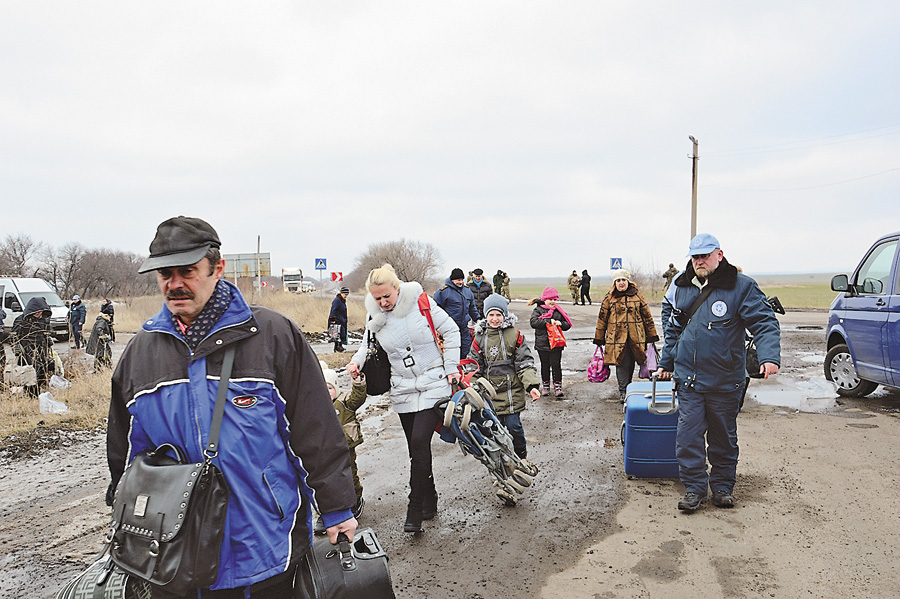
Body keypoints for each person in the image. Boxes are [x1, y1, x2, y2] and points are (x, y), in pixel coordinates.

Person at [107, 216, 357, 598]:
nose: (174, 284)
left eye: (187, 271)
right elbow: (125, 453)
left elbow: (315, 429)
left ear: (217, 268)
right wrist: (125, 520)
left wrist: (337, 505)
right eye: (165, 274)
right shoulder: (140, 353)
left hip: (264, 544)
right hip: (173, 555)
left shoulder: (274, 335)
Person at [657, 233, 780, 512]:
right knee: (688, 438)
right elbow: (673, 331)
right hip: (689, 380)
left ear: (719, 255)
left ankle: (722, 487)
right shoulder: (680, 286)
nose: (700, 261)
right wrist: (666, 364)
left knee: (723, 438)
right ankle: (694, 489)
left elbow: (764, 322)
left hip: (726, 380)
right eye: (695, 256)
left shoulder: (741, 287)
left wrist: (769, 356)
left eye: (705, 255)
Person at [347, 264, 461, 534]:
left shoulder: (421, 303)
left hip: (434, 383)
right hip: (402, 388)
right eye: (377, 298)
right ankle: (430, 497)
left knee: (421, 441)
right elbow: (367, 345)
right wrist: (355, 362)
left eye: (387, 296)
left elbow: (452, 331)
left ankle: (415, 508)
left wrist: (452, 368)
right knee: (415, 449)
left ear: (397, 289)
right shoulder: (374, 316)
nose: (383, 302)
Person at [469, 294, 541, 465]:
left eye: (498, 315)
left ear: (505, 315)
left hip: (512, 392)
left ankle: (521, 457)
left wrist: (531, 385)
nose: (495, 319)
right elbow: (474, 366)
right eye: (491, 315)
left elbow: (524, 362)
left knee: (514, 427)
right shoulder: (479, 337)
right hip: (489, 394)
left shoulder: (515, 335)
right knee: (494, 431)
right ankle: (501, 463)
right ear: (486, 315)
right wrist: (473, 388)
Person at [314, 361, 367, 534]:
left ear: (336, 388)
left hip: (345, 448)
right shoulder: (316, 406)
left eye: (329, 388)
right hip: (324, 450)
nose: (326, 392)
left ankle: (355, 500)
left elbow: (358, 397)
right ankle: (327, 511)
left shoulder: (344, 402)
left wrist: (357, 382)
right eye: (322, 388)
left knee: (349, 474)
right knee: (325, 479)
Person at [592, 270, 660, 402]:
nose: (621, 283)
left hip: (636, 338)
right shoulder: (609, 298)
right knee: (621, 364)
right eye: (618, 281)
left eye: (623, 280)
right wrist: (599, 338)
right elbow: (602, 319)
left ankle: (629, 389)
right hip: (617, 339)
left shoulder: (638, 296)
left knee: (634, 363)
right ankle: (623, 392)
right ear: (614, 283)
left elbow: (647, 317)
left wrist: (651, 335)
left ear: (628, 281)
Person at [529, 287, 572, 398]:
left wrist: (560, 324)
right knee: (545, 365)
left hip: (556, 344)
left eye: (555, 299)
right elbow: (533, 322)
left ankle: (558, 386)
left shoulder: (559, 311)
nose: (553, 302)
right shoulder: (538, 310)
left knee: (556, 365)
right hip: (542, 344)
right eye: (550, 299)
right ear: (544, 299)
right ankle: (546, 386)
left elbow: (567, 325)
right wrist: (548, 321)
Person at [11, 297, 54, 397]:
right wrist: (16, 347)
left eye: (40, 312)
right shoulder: (20, 320)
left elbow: (46, 332)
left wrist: (48, 339)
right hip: (26, 350)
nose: (38, 314)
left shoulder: (43, 320)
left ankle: (39, 392)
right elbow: (13, 336)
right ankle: (31, 394)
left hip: (41, 349)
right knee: (30, 372)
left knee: (42, 370)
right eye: (36, 312)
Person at [433, 267, 480, 359]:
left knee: (466, 349)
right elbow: (435, 310)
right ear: (452, 280)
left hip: (464, 328)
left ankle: (465, 369)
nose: (461, 282)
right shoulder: (443, 292)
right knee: (452, 351)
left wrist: (477, 319)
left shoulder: (467, 291)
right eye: (458, 280)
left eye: (462, 280)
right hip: (448, 329)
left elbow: (472, 307)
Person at [328, 286, 350, 352]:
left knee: (340, 334)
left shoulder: (341, 300)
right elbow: (333, 310)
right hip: (337, 320)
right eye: (345, 294)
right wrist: (333, 319)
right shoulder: (337, 300)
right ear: (341, 293)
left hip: (341, 320)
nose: (346, 296)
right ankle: (338, 347)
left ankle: (339, 347)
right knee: (337, 334)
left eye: (347, 295)